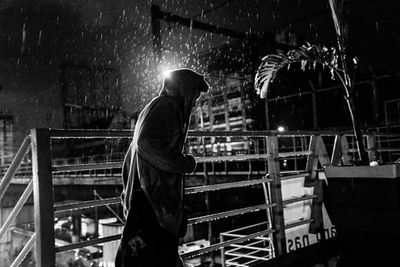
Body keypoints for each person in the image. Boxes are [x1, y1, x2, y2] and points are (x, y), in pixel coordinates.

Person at [115, 68, 209, 267]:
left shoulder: (154, 106)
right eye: (195, 95)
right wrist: (184, 163)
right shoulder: (168, 107)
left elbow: (136, 149)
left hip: (147, 199)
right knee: (159, 255)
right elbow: (146, 143)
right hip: (155, 202)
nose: (195, 101)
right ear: (185, 89)